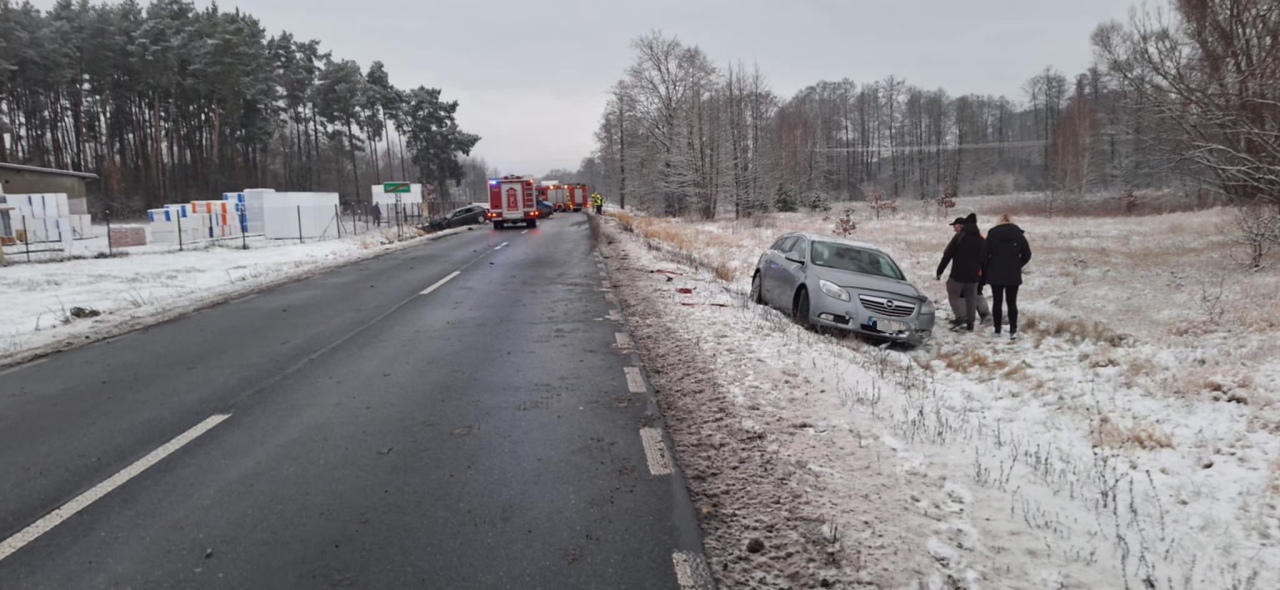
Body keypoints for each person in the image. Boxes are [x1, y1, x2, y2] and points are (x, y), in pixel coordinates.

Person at [981, 214, 1032, 340]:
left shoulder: (992, 234)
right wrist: (1018, 264)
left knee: (997, 302)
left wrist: (989, 267)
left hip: (995, 272)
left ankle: (997, 330)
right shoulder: (1018, 234)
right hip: (1013, 273)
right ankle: (1013, 330)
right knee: (1012, 302)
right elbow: (1027, 254)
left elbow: (984, 254)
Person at [937, 218, 985, 331]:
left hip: (958, 274)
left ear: (962, 226)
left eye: (955, 227)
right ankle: (970, 323)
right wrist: (983, 276)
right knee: (971, 298)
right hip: (974, 276)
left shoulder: (959, 238)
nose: (954, 229)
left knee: (953, 294)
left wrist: (940, 270)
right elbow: (985, 259)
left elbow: (947, 255)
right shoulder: (980, 239)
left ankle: (961, 318)